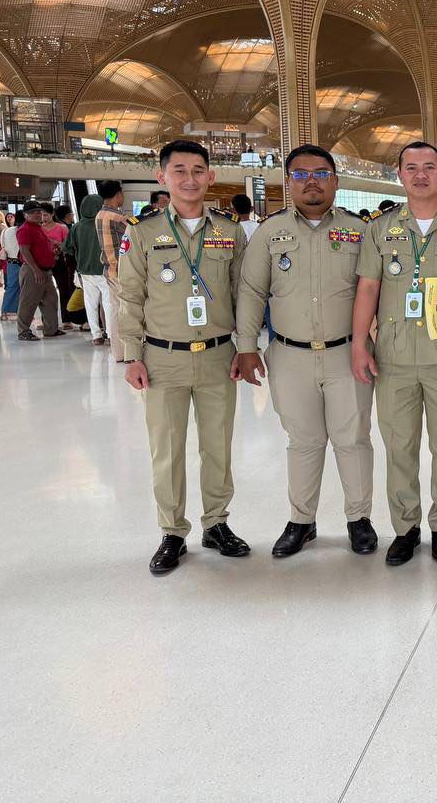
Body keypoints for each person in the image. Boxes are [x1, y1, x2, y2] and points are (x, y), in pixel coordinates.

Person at [236, 144, 380, 558]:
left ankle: (359, 519)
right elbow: (251, 291)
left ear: (335, 181)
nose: (311, 182)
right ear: (288, 182)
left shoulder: (360, 231)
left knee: (353, 439)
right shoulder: (270, 232)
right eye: (300, 175)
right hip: (290, 355)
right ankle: (301, 520)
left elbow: (377, 291)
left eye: (321, 174)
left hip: (348, 353)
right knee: (303, 440)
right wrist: (247, 346)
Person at [118, 139, 249, 575]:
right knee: (168, 450)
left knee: (218, 446)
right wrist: (131, 356)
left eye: (197, 170)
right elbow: (130, 296)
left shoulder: (229, 231)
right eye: (179, 170)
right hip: (163, 359)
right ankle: (172, 531)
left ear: (211, 177)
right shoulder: (142, 232)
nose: (189, 179)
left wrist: (245, 347)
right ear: (162, 177)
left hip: (218, 356)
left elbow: (243, 295)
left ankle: (217, 524)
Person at [352, 142, 437, 565]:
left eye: (429, 167)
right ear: (400, 175)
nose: (421, 174)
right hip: (393, 358)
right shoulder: (380, 228)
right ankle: (405, 528)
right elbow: (368, 288)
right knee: (399, 447)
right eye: (411, 167)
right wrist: (359, 344)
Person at [15, 201, 65, 341]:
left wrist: (54, 247)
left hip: (46, 270)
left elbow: (44, 243)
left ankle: (51, 329)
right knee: (29, 301)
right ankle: (23, 331)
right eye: (33, 213)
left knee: (51, 300)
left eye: (39, 212)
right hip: (33, 271)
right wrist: (36, 270)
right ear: (25, 215)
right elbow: (24, 251)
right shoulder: (25, 229)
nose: (38, 215)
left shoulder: (38, 227)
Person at [64, 194, 109, 345]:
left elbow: (68, 249)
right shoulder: (104, 224)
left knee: (90, 303)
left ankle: (96, 335)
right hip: (104, 270)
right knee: (108, 304)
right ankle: (110, 334)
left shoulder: (76, 227)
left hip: (84, 271)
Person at [95, 180, 130, 362]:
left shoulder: (100, 214)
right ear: (118, 194)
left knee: (115, 310)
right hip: (123, 270)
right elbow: (137, 235)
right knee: (128, 311)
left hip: (109, 268)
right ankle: (130, 351)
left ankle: (119, 352)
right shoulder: (118, 217)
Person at [0, 211, 22, 321]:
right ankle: (20, 312)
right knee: (24, 288)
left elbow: (2, 245)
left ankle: (5, 311)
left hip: (10, 262)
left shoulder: (5, 231)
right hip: (23, 262)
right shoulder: (22, 230)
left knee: (11, 287)